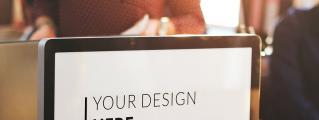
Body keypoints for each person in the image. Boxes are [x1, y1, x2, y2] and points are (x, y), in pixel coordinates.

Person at [28, 0, 205, 39]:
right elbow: (44, 4)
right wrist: (46, 24)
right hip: (70, 68)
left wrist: (160, 27)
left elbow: (195, 20)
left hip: (134, 75)